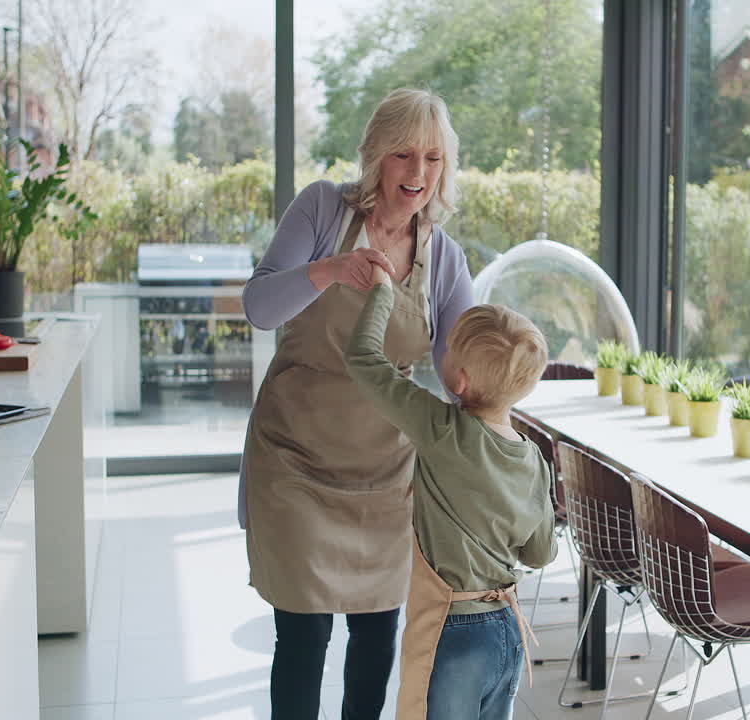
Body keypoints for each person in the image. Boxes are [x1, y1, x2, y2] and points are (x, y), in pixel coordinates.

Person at [237, 88, 475, 720]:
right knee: (305, 632)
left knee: (375, 636)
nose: (418, 175)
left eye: (432, 158)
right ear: (375, 156)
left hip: (385, 471)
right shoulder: (321, 209)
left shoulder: (443, 256)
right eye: (403, 155)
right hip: (293, 457)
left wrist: (497, 375)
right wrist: (329, 270)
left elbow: (459, 372)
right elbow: (259, 308)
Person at [345, 266, 558, 720]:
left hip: (450, 630)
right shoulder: (534, 458)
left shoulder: (441, 428)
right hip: (507, 630)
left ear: (458, 381)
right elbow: (540, 553)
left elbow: (364, 360)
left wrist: (382, 293)